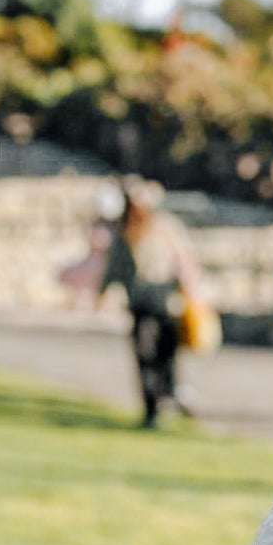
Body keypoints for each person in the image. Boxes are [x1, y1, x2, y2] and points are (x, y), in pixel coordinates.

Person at [99, 180, 202, 427]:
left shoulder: (165, 226)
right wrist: (103, 293)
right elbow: (114, 267)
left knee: (166, 355)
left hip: (166, 300)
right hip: (141, 302)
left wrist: (189, 285)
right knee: (146, 354)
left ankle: (170, 395)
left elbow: (184, 258)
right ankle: (151, 409)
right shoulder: (125, 232)